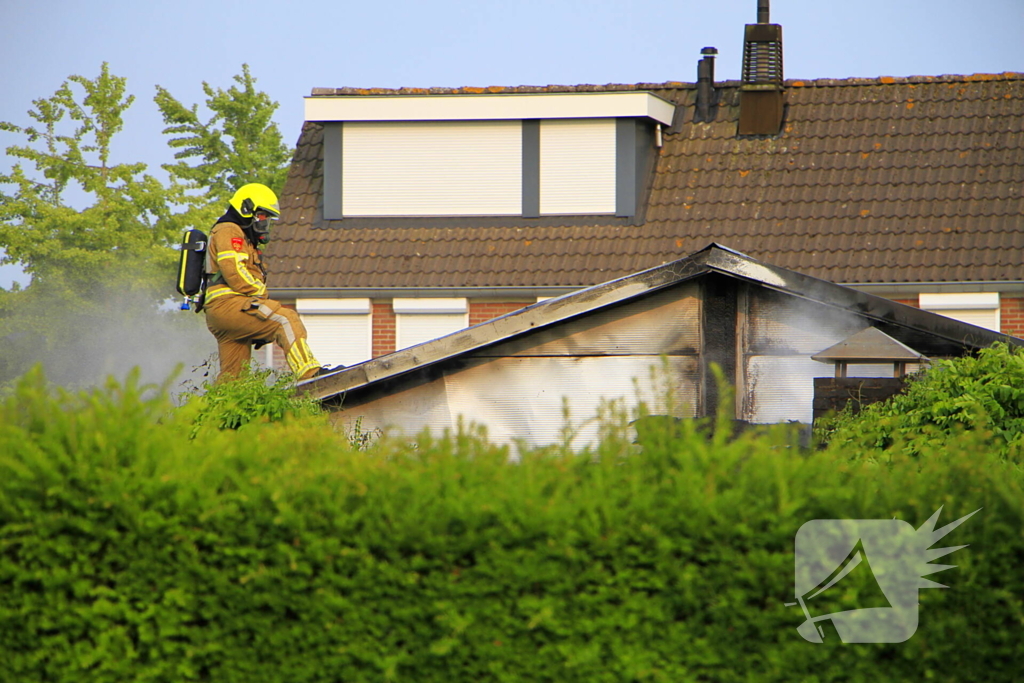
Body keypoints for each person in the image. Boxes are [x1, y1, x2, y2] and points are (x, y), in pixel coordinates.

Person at [203, 183, 335, 382]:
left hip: (221, 312)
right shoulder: (229, 230)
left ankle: (215, 411)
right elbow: (235, 272)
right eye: (262, 216)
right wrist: (260, 293)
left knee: (233, 379)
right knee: (286, 319)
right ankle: (311, 375)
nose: (264, 222)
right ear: (246, 209)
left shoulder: (240, 235)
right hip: (229, 305)